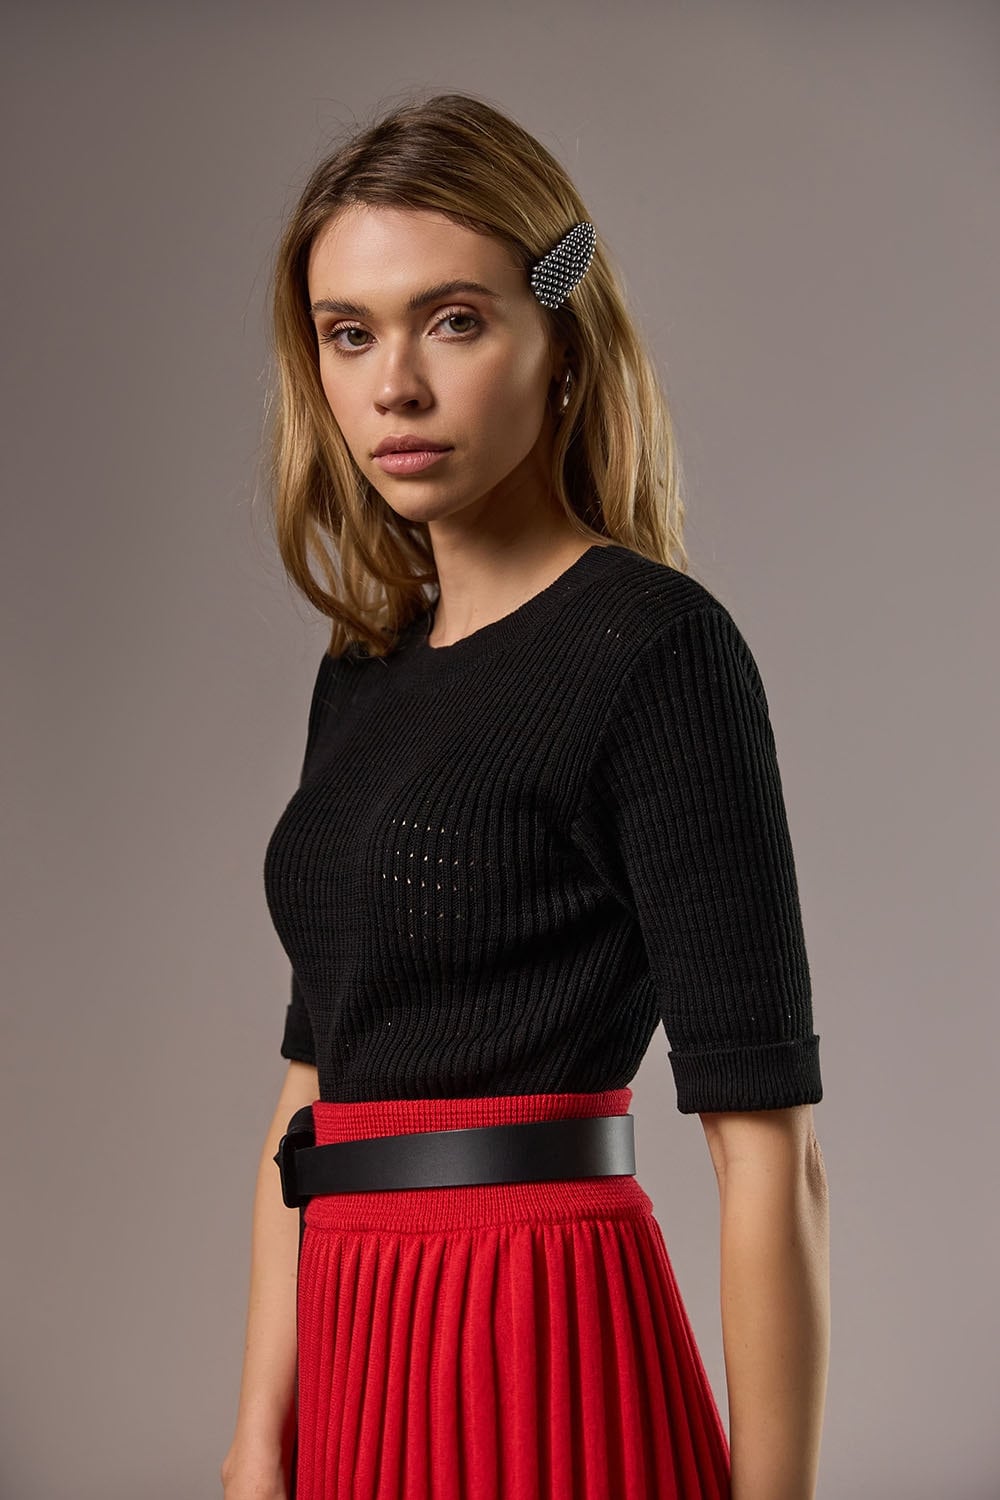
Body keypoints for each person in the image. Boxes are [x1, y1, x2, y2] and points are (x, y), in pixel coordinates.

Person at [221, 91, 830, 1500]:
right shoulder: (360, 673)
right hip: (356, 1335)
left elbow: (770, 1154)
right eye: (348, 333)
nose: (393, 387)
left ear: (562, 336)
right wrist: (259, 1439)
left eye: (453, 320)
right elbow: (312, 1085)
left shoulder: (655, 649)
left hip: (540, 1337)